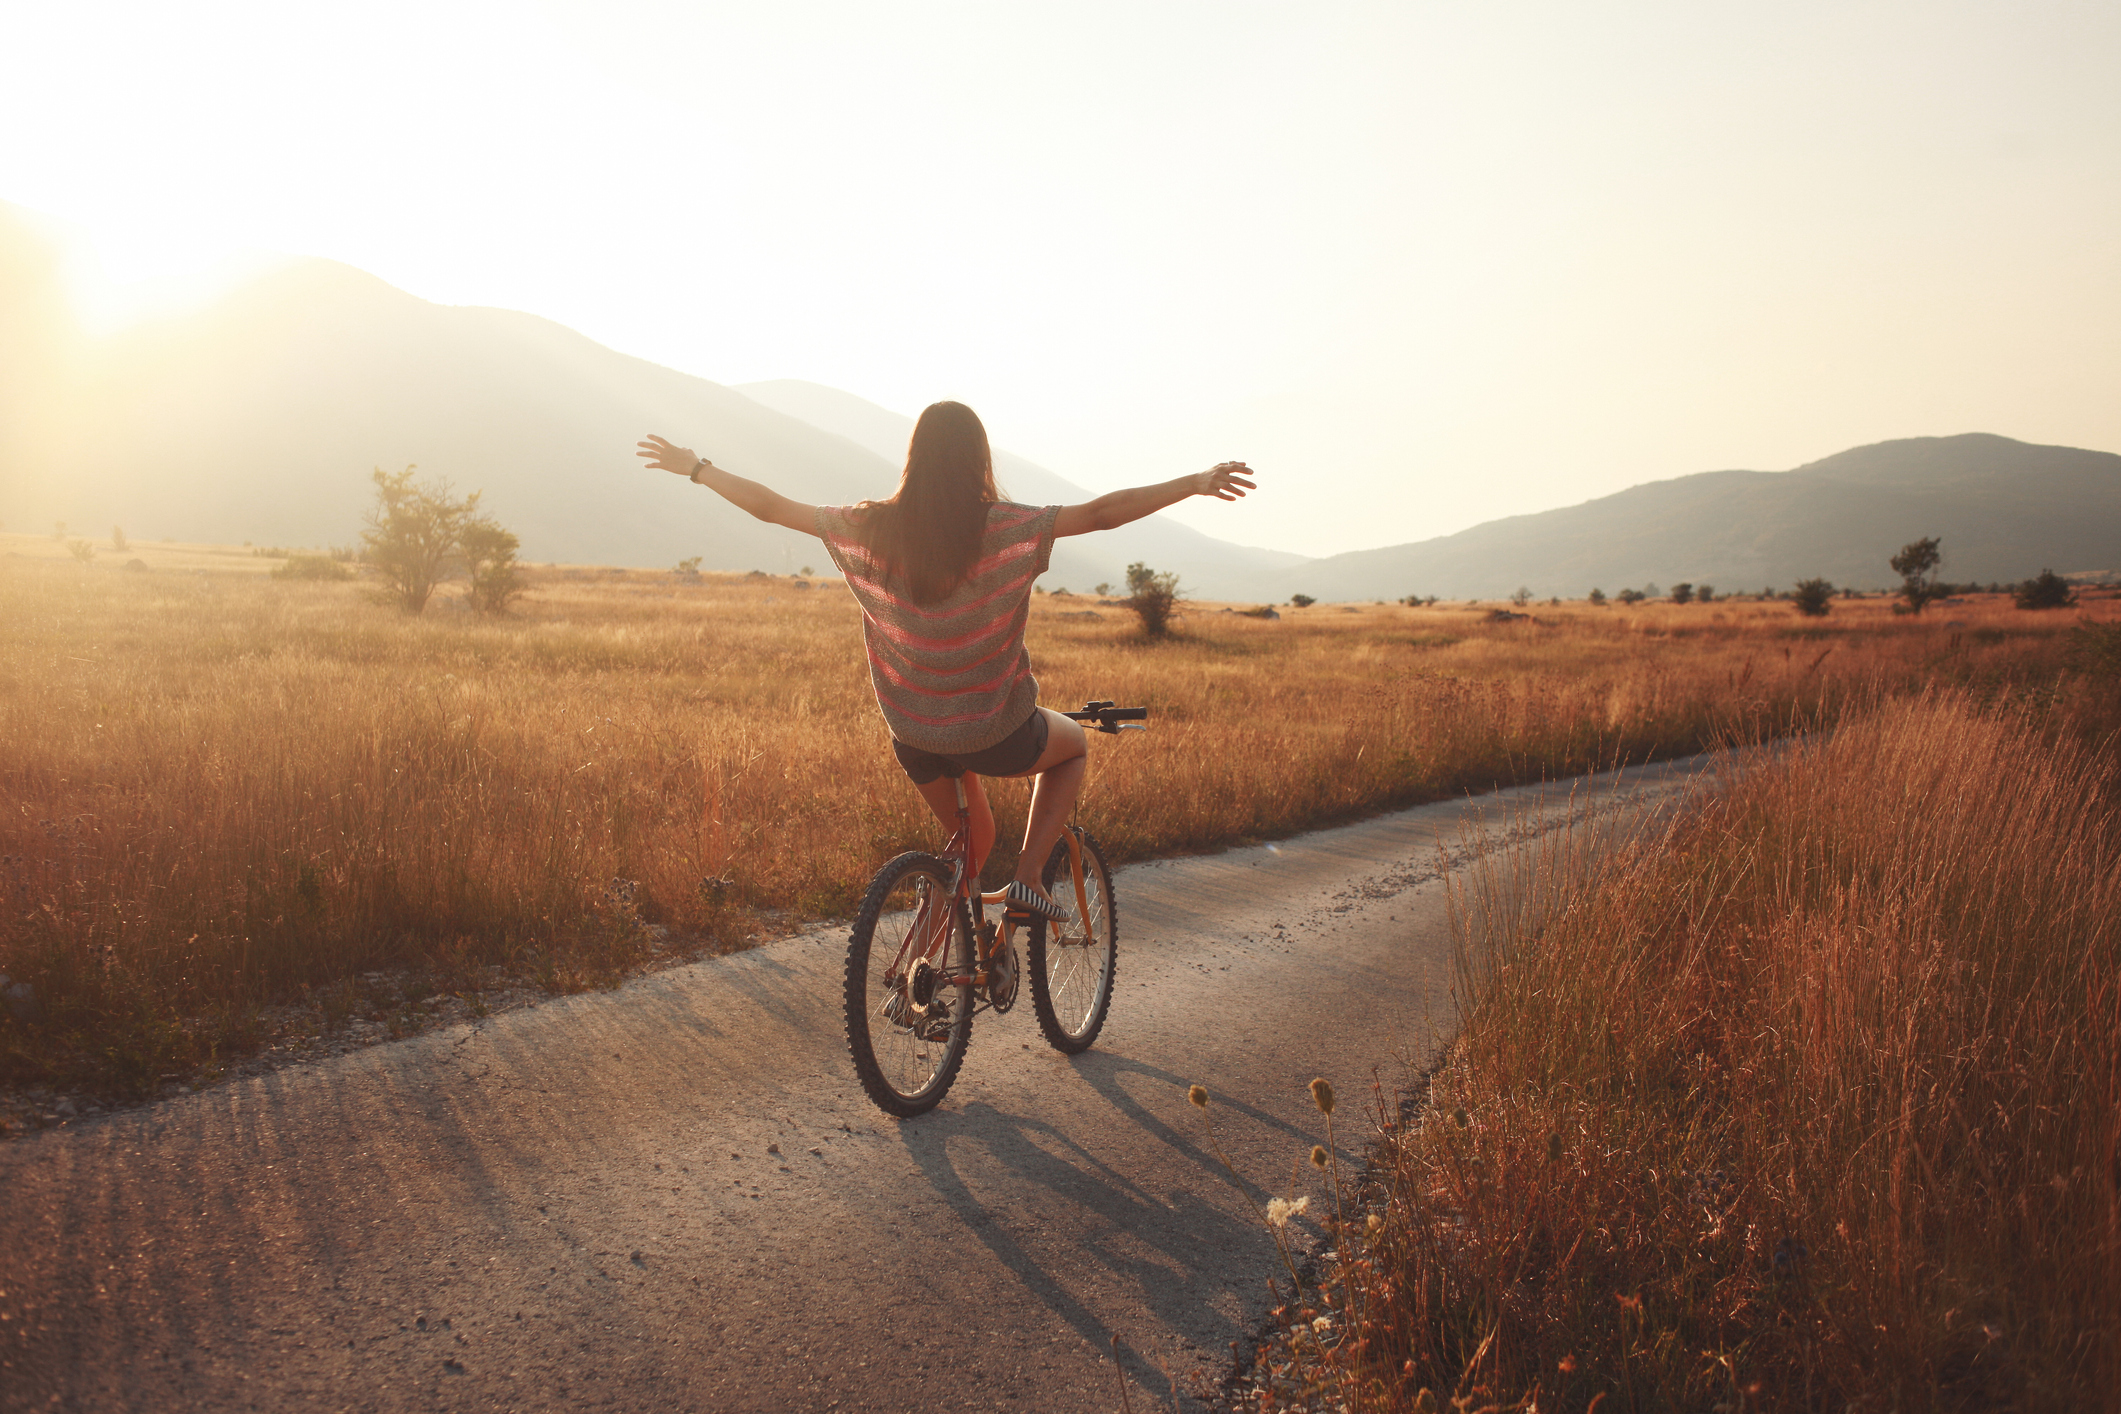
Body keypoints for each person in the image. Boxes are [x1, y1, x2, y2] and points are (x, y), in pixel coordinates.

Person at [637, 402, 1253, 916]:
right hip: (997, 733)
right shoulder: (1008, 527)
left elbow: (771, 507)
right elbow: (1100, 514)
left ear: (915, 459)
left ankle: (924, 973)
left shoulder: (870, 527)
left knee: (969, 843)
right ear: (979, 461)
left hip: (913, 733)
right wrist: (1194, 483)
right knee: (1074, 747)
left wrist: (697, 468)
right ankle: (1031, 880)